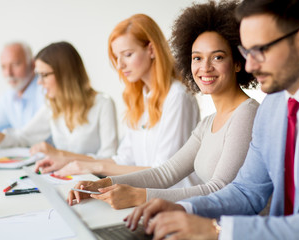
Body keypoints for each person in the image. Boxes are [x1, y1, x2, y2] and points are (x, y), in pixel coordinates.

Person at [124, 0, 299, 239]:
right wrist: (185, 209)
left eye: (260, 50)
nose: (250, 64)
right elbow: (246, 191)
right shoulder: (272, 107)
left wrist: (215, 231)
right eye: (245, 52)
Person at [67, 1, 259, 210]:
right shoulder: (208, 123)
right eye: (197, 58)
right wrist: (104, 184)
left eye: (218, 57)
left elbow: (219, 188)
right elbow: (165, 173)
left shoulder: (246, 114)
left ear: (238, 62)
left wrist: (141, 196)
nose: (205, 67)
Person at [34, 14, 201, 189]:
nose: (120, 65)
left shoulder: (177, 97)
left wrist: (94, 166)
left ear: (151, 50)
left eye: (127, 55)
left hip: (177, 201)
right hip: (148, 196)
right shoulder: (140, 97)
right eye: (116, 57)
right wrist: (68, 160)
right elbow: (122, 160)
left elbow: (163, 172)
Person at [0, 41, 118, 161]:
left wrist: (59, 155)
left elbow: (109, 158)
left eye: (45, 75)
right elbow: (22, 138)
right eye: (38, 75)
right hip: (64, 179)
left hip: (94, 183)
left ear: (65, 75)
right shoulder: (52, 106)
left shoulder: (103, 104)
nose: (39, 83)